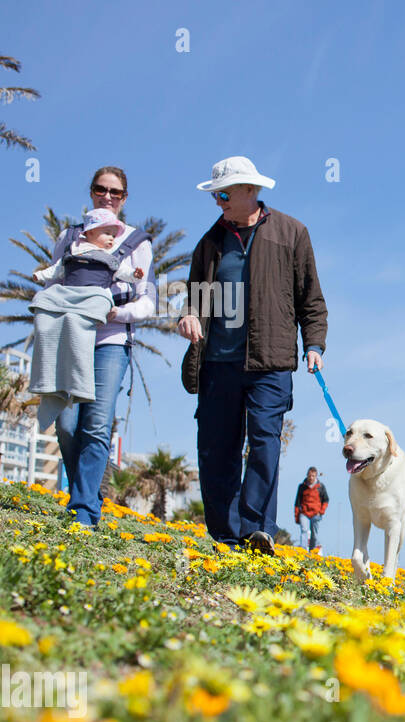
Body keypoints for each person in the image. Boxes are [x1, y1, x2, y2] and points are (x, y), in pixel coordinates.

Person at [177, 157, 327, 553]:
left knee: (265, 444)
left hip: (271, 361)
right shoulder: (210, 243)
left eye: (224, 194)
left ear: (250, 190)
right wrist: (189, 316)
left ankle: (256, 529)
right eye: (215, 195)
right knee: (216, 448)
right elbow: (195, 300)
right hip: (216, 363)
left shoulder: (292, 233)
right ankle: (226, 535)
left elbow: (310, 298)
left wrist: (314, 344)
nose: (218, 202)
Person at [39, 168, 155, 527]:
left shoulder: (136, 242)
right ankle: (86, 493)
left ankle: (84, 511)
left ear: (125, 198)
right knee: (67, 425)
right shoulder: (71, 236)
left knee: (97, 424)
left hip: (110, 341)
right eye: (101, 190)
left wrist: (115, 312)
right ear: (91, 192)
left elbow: (147, 299)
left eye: (116, 192)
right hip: (69, 338)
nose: (108, 196)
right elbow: (55, 277)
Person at [293, 466, 328, 553]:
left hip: (316, 513)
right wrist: (297, 516)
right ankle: (304, 552)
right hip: (304, 513)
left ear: (316, 476)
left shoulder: (320, 487)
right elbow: (297, 502)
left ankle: (313, 552)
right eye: (309, 476)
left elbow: (326, 500)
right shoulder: (302, 486)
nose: (311, 478)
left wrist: (321, 511)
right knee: (304, 531)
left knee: (314, 534)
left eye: (313, 476)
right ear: (307, 475)